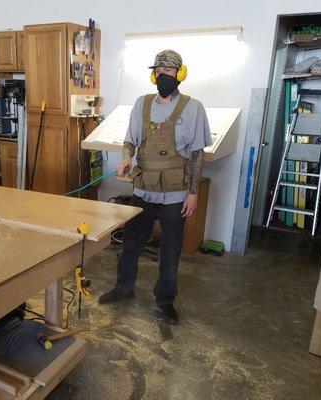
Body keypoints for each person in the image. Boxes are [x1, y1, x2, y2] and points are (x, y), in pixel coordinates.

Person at [98, 50, 212, 325]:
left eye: (169, 72)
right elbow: (130, 141)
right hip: (143, 190)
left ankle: (164, 302)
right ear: (153, 74)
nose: (163, 76)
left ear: (179, 74)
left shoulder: (193, 108)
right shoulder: (143, 104)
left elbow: (197, 155)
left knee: (170, 252)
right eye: (159, 71)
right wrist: (126, 157)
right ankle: (123, 289)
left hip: (175, 195)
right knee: (130, 245)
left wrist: (193, 193)